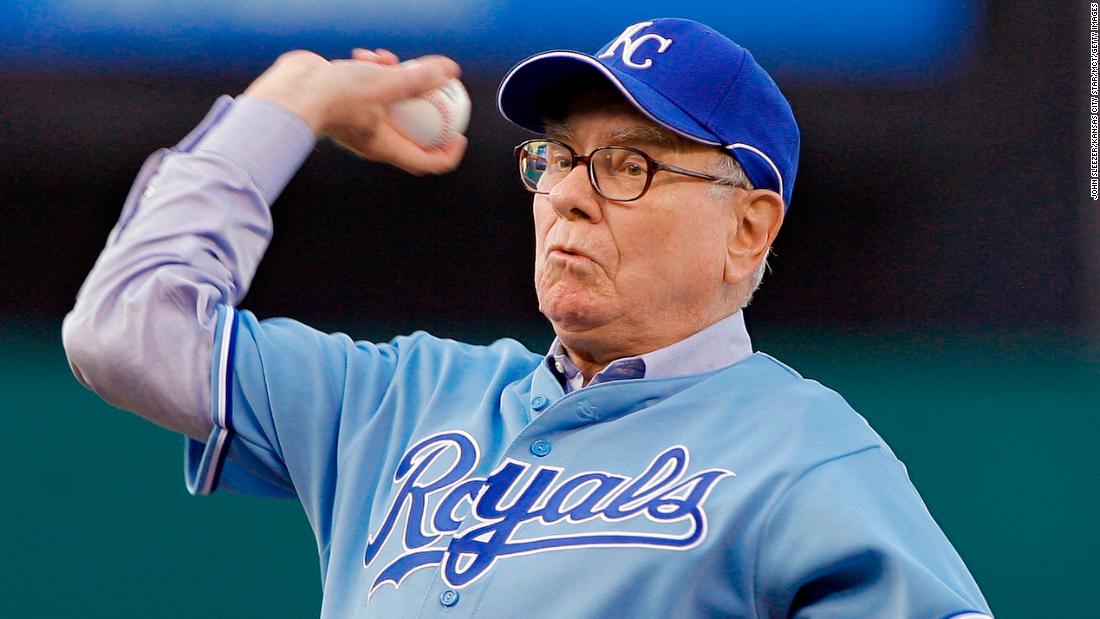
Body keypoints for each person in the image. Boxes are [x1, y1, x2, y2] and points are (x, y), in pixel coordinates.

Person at [63, 18, 994, 618]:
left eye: (630, 164)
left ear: (747, 229)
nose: (569, 198)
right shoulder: (398, 398)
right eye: (557, 157)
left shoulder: (806, 455)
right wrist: (291, 100)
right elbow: (125, 330)